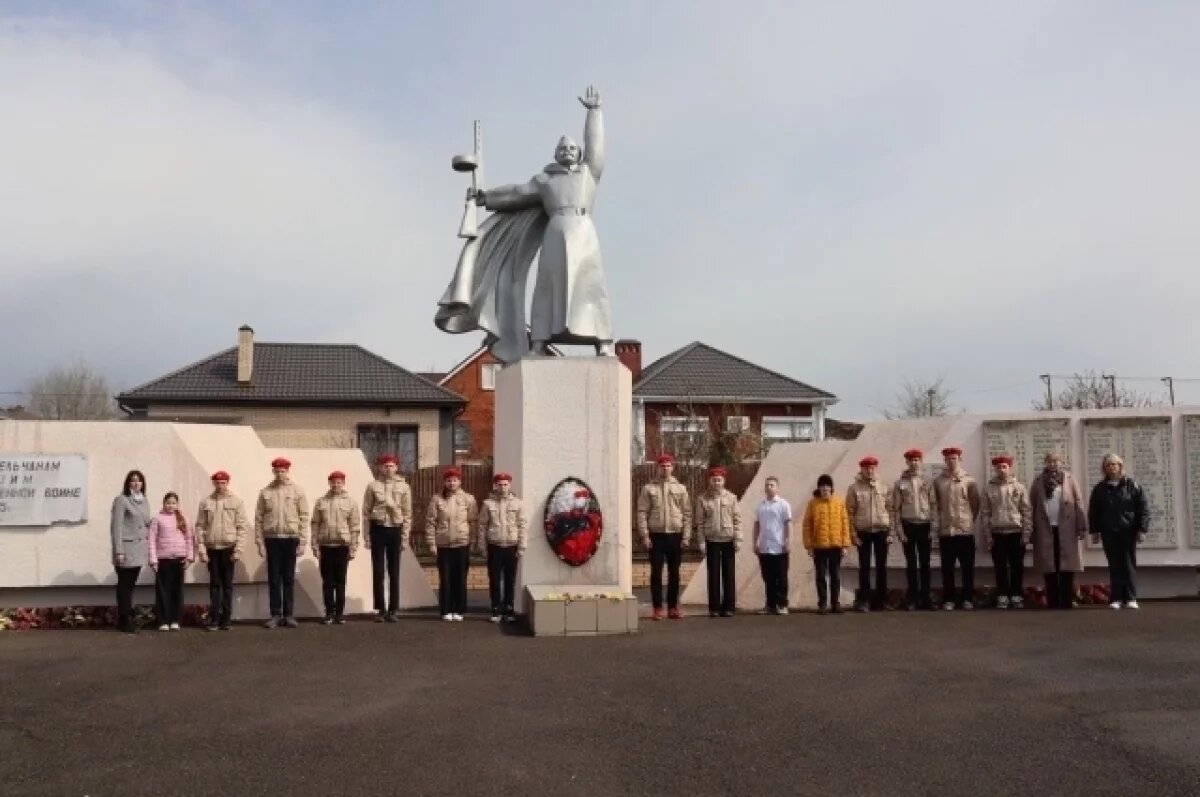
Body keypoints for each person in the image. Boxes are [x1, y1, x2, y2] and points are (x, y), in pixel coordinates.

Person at [254, 457, 310, 629]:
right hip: (272, 539)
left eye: (283, 471)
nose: (280, 474)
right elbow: (258, 519)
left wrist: (302, 542)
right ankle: (275, 614)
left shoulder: (297, 491)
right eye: (277, 471)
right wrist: (260, 543)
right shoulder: (265, 492)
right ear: (273, 472)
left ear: (287, 471)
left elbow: (304, 516)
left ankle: (289, 614)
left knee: (288, 578)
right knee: (274, 578)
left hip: (290, 539)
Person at [1088, 453, 1149, 610]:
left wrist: (1142, 529)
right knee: (1114, 565)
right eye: (1108, 465)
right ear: (1104, 468)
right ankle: (1116, 598)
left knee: (1128, 564)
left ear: (1120, 466)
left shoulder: (1132, 486)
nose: (1111, 467)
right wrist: (1094, 531)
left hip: (1128, 531)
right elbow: (1094, 511)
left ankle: (1131, 597)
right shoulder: (1100, 488)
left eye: (1114, 464)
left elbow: (1143, 509)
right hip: (1109, 532)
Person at [1028, 452, 1088, 610]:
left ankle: (1066, 601)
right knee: (1049, 566)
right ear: (1045, 463)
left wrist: (1081, 526)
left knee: (1067, 565)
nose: (1053, 464)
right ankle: (1052, 601)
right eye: (1049, 461)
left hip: (1066, 527)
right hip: (1045, 528)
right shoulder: (1039, 481)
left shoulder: (1069, 479)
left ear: (1061, 462)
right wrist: (1031, 530)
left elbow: (1079, 502)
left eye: (1056, 461)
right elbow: (1031, 506)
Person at [636, 454, 692, 620]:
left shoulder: (681, 489)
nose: (665, 468)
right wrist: (645, 535)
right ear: (658, 467)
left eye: (668, 465)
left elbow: (687, 513)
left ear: (672, 467)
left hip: (675, 535)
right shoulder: (648, 488)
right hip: (656, 536)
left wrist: (686, 536)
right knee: (656, 572)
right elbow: (641, 512)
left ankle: (673, 607)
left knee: (674, 573)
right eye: (662, 466)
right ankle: (658, 607)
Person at [194, 470, 248, 631]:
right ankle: (215, 618)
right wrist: (202, 551)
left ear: (227, 483)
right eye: (218, 483)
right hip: (212, 548)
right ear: (213, 483)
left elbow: (242, 528)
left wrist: (238, 550)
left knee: (227, 585)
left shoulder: (237, 502)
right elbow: (200, 526)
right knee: (214, 584)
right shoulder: (206, 502)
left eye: (223, 483)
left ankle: (226, 618)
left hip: (229, 548)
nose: (220, 485)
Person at [362, 453, 413, 623]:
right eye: (385, 465)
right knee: (378, 571)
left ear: (397, 468)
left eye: (391, 465)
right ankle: (381, 609)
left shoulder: (404, 487)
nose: (388, 468)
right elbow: (366, 513)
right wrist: (367, 536)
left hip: (395, 530)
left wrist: (405, 537)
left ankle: (393, 609)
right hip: (378, 529)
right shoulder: (373, 486)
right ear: (380, 468)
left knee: (394, 571)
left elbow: (407, 514)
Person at [931, 446, 982, 610]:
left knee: (967, 568)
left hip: (965, 531)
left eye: (954, 458)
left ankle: (967, 598)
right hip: (947, 532)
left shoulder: (969, 480)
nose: (952, 461)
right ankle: (949, 599)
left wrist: (967, 521)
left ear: (960, 459)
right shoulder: (939, 481)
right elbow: (936, 505)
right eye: (948, 458)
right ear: (945, 461)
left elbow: (975, 505)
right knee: (947, 569)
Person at [426, 467, 479, 622]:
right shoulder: (437, 499)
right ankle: (446, 610)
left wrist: (473, 541)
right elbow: (430, 522)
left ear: (459, 481)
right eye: (449, 480)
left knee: (460, 578)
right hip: (443, 544)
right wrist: (431, 543)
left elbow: (473, 522)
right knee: (446, 578)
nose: (451, 483)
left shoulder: (468, 499)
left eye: (454, 480)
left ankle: (459, 609)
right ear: (445, 482)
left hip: (462, 543)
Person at [980, 455, 1032, 609]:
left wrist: (1026, 533)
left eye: (1004, 467)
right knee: (1000, 566)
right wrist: (988, 536)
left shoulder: (1019, 487)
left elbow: (1026, 511)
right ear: (995, 469)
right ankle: (1002, 594)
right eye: (999, 467)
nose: (1002, 470)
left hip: (1016, 531)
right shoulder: (988, 488)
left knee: (1017, 565)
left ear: (1010, 468)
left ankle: (1016, 595)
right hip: (997, 532)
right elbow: (985, 513)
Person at [477, 472, 528, 623]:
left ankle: (509, 609)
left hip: (511, 546)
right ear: (495, 485)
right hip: (495, 545)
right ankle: (495, 609)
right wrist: (482, 546)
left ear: (509, 485)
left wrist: (522, 546)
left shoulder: (518, 504)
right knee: (494, 579)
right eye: (500, 484)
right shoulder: (488, 504)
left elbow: (522, 526)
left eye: (505, 484)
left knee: (510, 579)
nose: (503, 487)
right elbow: (482, 526)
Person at [312, 470, 361, 625]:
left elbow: (354, 527)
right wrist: (315, 546)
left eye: (339, 482)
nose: (336, 485)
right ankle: (329, 613)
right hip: (326, 546)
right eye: (333, 482)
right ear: (329, 483)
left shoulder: (350, 502)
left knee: (340, 582)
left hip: (342, 546)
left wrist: (353, 548)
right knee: (327, 582)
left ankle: (339, 614)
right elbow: (315, 524)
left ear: (343, 483)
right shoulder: (321, 502)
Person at [694, 466, 742, 617]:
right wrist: (701, 541)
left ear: (724, 481)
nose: (716, 482)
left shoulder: (732, 498)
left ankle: (729, 607)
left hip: (728, 539)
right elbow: (700, 523)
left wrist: (738, 538)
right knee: (713, 575)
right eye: (714, 480)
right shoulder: (702, 499)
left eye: (719, 480)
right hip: (711, 540)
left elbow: (737, 520)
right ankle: (714, 608)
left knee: (729, 574)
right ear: (710, 481)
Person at [846, 456, 893, 611]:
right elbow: (850, 512)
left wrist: (890, 532)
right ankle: (864, 601)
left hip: (881, 530)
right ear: (862, 469)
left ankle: (882, 600)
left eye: (872, 468)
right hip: (863, 531)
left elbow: (891, 510)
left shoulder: (884, 486)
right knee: (864, 567)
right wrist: (853, 534)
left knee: (881, 566)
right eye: (867, 468)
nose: (870, 470)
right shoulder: (854, 488)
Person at [110, 470, 152, 634]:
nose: (136, 484)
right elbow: (117, 527)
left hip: (139, 550)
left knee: (130, 585)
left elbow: (147, 523)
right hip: (126, 550)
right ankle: (125, 619)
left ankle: (125, 617)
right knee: (125, 586)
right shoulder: (122, 500)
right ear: (128, 483)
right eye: (133, 481)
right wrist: (118, 550)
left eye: (139, 481)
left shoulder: (144, 501)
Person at [802, 474, 852, 615]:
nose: (825, 488)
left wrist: (845, 545)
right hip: (819, 547)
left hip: (836, 546)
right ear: (819, 488)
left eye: (827, 486)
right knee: (820, 576)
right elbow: (807, 526)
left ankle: (835, 604)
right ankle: (822, 604)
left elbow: (845, 523)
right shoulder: (813, 504)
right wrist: (809, 545)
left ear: (831, 487)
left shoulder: (839, 503)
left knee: (835, 576)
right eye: (822, 486)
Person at [893, 449, 935, 610]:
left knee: (925, 563)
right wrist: (899, 531)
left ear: (921, 461)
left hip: (925, 525)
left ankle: (926, 598)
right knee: (911, 563)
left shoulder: (928, 481)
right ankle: (912, 598)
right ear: (907, 462)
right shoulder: (900, 483)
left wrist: (933, 528)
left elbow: (934, 506)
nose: (914, 463)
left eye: (917, 460)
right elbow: (895, 509)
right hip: (908, 526)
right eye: (911, 460)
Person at [148, 492, 193, 631]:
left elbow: (189, 539)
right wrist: (153, 560)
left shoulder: (183, 518)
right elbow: (151, 540)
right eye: (168, 503)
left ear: (177, 504)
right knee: (163, 590)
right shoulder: (157, 518)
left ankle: (175, 620)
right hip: (163, 559)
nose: (171, 505)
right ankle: (163, 621)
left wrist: (189, 557)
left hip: (179, 559)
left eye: (174, 503)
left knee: (177, 590)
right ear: (164, 503)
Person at [753, 476, 793, 615]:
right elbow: (757, 525)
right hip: (765, 547)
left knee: (781, 577)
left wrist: (788, 541)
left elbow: (788, 524)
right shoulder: (760, 506)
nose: (769, 487)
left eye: (772, 485)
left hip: (780, 546)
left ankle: (782, 605)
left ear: (777, 487)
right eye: (767, 485)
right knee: (768, 578)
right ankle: (770, 605)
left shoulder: (783, 504)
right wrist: (755, 542)